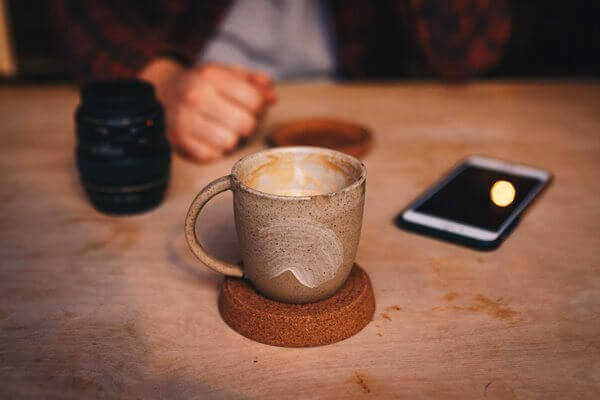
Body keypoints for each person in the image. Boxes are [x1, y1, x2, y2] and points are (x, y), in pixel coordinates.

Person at [53, 0, 511, 163]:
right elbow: (82, 13)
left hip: (366, 107)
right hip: (198, 105)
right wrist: (160, 83)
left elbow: (467, 52)